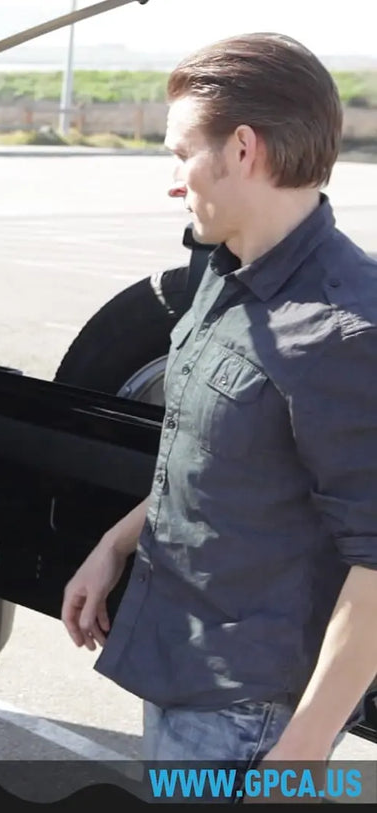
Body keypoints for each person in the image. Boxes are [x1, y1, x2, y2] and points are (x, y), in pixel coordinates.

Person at [60, 32, 377, 774]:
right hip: (180, 657)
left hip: (250, 718)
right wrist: (115, 544)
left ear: (242, 149)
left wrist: (301, 750)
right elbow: (216, 458)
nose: (172, 181)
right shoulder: (223, 268)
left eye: (179, 154)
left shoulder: (341, 331)